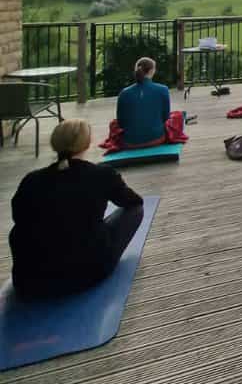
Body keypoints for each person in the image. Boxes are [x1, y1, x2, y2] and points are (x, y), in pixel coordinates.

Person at [9, 119, 144, 299]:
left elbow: (18, 217)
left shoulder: (31, 180)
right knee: (136, 210)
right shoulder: (102, 174)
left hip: (30, 282)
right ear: (87, 143)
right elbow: (133, 201)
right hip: (86, 273)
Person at [115, 57, 171, 147]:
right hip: (156, 138)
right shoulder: (163, 89)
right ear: (152, 71)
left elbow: (121, 123)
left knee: (113, 124)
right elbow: (166, 117)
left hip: (130, 141)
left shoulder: (124, 93)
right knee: (177, 116)